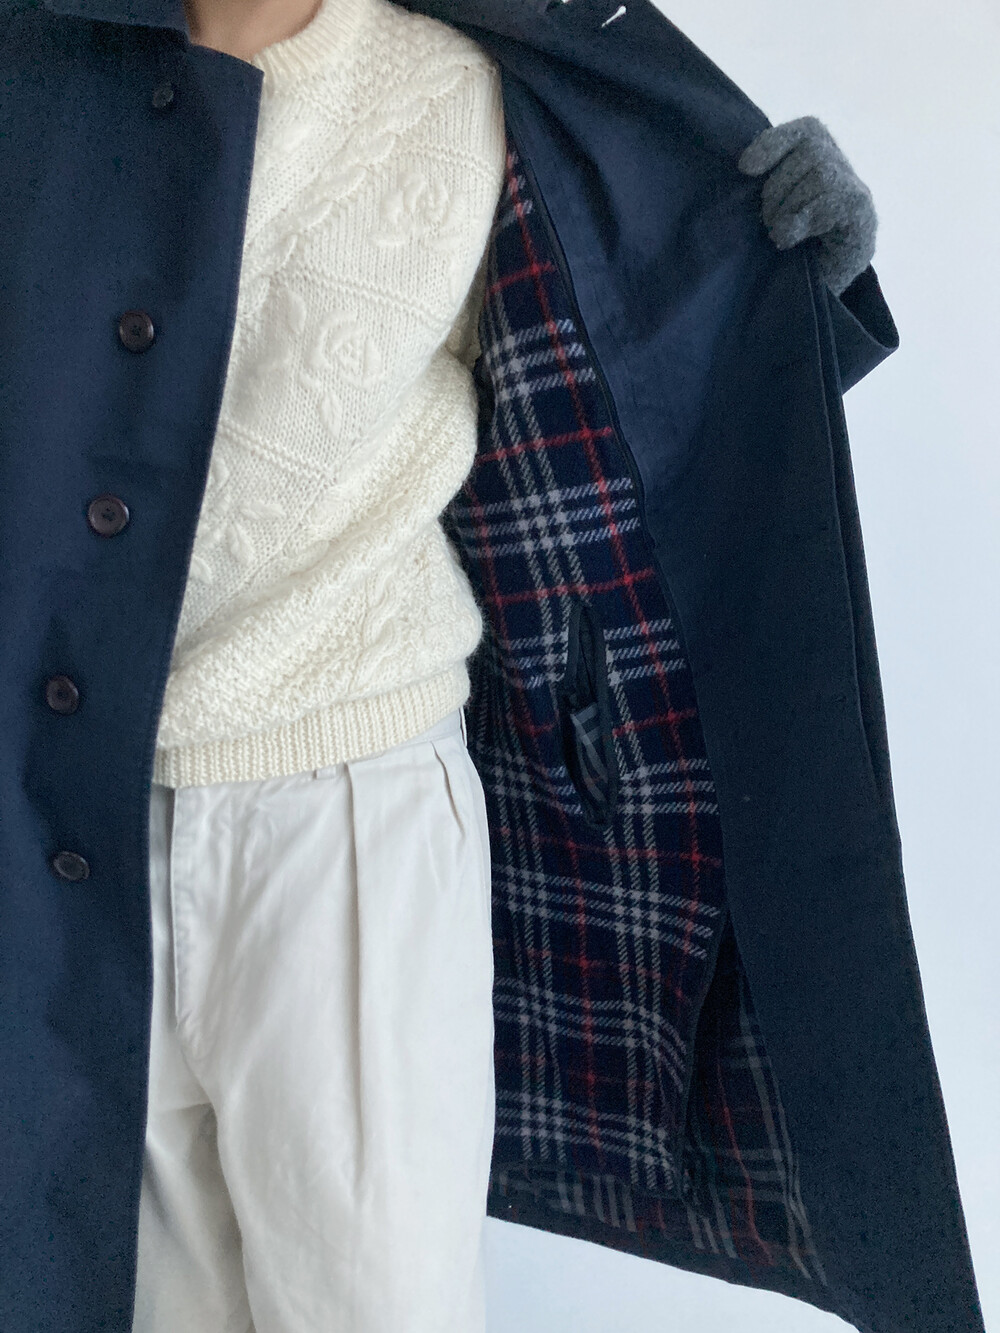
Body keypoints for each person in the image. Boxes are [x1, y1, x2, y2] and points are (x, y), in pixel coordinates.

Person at [13, 3, 982, 1333]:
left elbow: (642, 381)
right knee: (143, 1305)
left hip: (348, 799)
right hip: (71, 814)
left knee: (378, 1307)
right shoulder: (40, 65)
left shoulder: (466, 91)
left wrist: (784, 282)